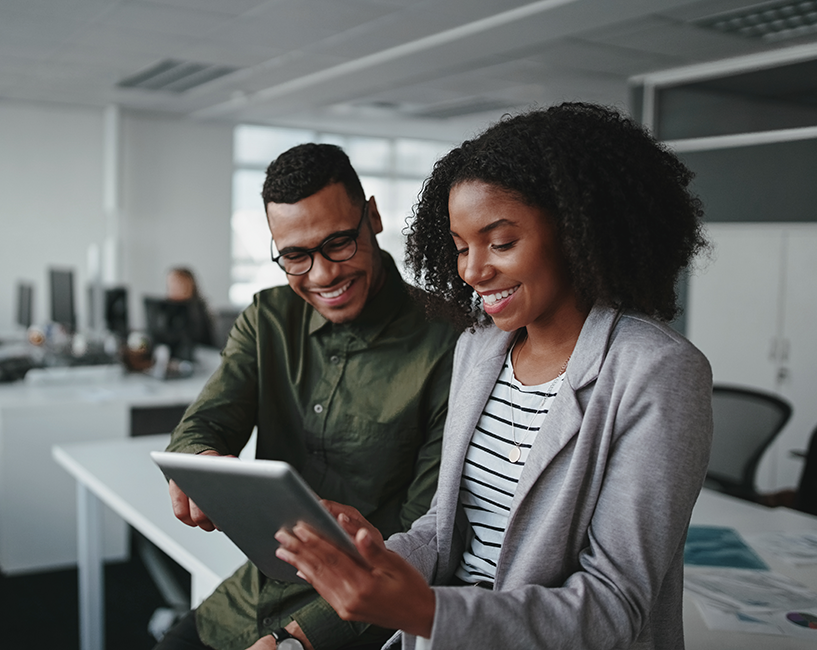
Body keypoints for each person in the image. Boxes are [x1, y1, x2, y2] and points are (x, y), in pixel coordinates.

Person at [274, 103, 714, 650]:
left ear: (576, 230)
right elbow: (443, 529)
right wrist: (371, 556)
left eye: (501, 243)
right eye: (460, 248)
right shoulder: (478, 349)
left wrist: (429, 609)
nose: (472, 271)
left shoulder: (657, 372)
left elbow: (612, 606)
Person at [156, 143, 458, 650]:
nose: (323, 275)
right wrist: (197, 463)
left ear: (374, 217)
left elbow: (427, 536)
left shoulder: (450, 342)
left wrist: (299, 641)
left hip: (361, 618)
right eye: (295, 256)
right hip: (255, 594)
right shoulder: (268, 317)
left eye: (339, 243)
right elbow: (199, 427)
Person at [166, 267, 216, 348]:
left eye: (176, 284)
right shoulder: (168, 309)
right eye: (170, 286)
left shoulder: (197, 309)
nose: (171, 290)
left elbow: (190, 340)